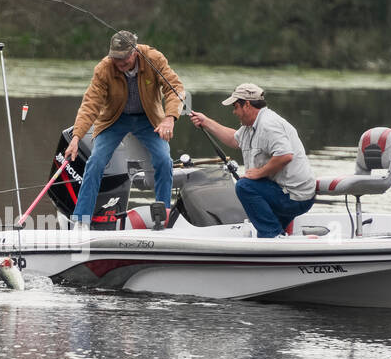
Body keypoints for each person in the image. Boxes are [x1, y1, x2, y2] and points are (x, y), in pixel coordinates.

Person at [65, 30, 185, 226]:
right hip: (114, 119)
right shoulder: (104, 68)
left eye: (124, 59)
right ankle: (81, 220)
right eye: (115, 58)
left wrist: (169, 118)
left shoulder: (153, 58)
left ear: (135, 52)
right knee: (95, 161)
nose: (120, 63)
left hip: (149, 120)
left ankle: (162, 215)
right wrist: (77, 136)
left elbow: (176, 88)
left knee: (164, 160)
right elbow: (90, 104)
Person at [190, 84, 315, 237]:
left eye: (236, 107)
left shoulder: (268, 124)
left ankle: (273, 237)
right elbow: (234, 139)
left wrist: (259, 173)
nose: (234, 112)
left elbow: (285, 155)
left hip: (295, 196)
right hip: (285, 191)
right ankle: (278, 240)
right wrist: (206, 122)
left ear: (247, 105)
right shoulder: (251, 126)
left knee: (245, 186)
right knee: (251, 191)